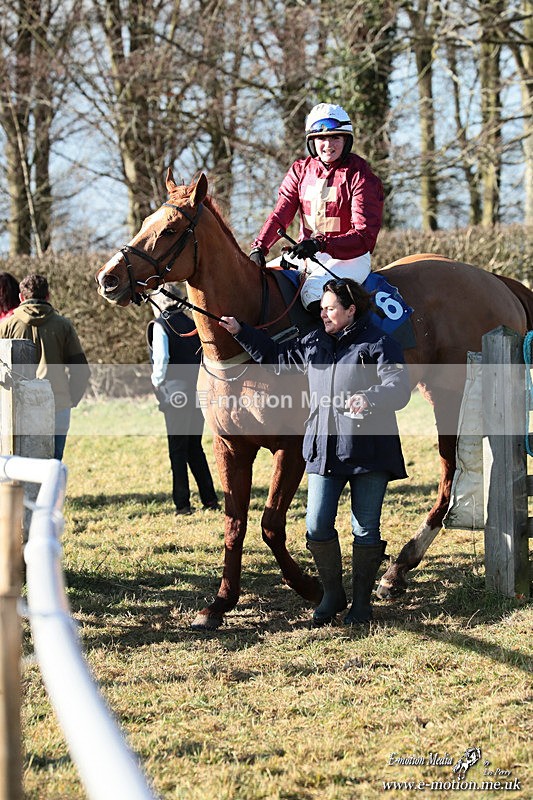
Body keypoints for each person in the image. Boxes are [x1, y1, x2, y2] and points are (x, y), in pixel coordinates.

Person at [219, 277, 410, 626]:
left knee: (365, 528)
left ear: (351, 309)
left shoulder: (379, 343)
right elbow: (276, 358)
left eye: (331, 308)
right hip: (323, 449)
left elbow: (398, 389)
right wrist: (240, 331)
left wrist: (370, 398)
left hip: (370, 451)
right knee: (317, 524)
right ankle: (334, 595)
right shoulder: (313, 343)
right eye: (320, 309)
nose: (323, 314)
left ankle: (362, 604)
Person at [249, 102, 384, 313]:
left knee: (313, 294)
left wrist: (320, 244)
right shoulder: (299, 171)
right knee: (255, 282)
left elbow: (364, 236)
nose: (328, 144)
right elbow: (280, 215)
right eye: (321, 138)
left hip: (350, 258)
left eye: (335, 137)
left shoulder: (361, 176)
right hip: (307, 254)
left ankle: (327, 347)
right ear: (312, 142)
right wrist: (259, 247)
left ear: (346, 140)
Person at [0, 273, 90, 460]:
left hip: (17, 406)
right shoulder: (64, 325)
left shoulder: (6, 325)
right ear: (48, 295)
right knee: (53, 463)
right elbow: (81, 369)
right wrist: (71, 398)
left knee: (19, 464)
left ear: (21, 297)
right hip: (58, 403)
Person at [147, 286, 219, 516]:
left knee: (177, 450)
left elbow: (162, 360)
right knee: (194, 447)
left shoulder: (160, 325)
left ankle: (182, 504)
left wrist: (157, 382)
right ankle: (209, 499)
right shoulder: (193, 323)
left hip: (175, 394)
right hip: (197, 390)